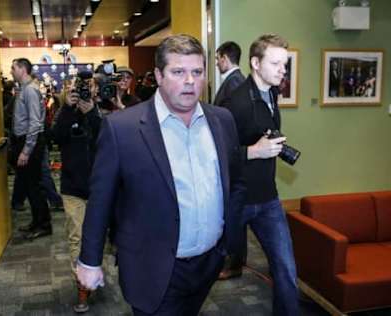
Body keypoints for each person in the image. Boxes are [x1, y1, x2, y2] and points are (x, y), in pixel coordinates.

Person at [76, 34, 246, 316]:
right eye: (178, 72)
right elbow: (100, 201)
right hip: (153, 268)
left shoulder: (222, 120)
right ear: (158, 75)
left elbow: (236, 183)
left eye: (197, 72)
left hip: (208, 263)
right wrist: (89, 260)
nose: (190, 81)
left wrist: (228, 239)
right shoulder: (122, 129)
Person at [222, 34, 299, 316]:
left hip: (268, 199)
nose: (283, 70)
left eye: (285, 64)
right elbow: (217, 155)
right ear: (255, 63)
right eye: (276, 63)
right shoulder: (235, 103)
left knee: (286, 269)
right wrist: (254, 151)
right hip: (237, 200)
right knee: (205, 267)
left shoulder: (273, 92)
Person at [51, 76, 102, 313]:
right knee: (76, 238)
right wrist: (67, 109)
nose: (82, 91)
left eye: (87, 87)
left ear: (94, 88)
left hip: (99, 186)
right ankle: (82, 286)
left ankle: (94, 273)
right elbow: (55, 139)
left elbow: (106, 139)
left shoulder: (102, 110)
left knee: (99, 236)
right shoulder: (65, 111)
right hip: (72, 186)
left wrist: (91, 112)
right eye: (78, 88)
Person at [213, 41, 247, 280]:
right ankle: (233, 259)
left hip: (233, 157)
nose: (216, 62)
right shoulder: (235, 82)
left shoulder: (235, 83)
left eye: (217, 58)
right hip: (229, 155)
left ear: (225, 58)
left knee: (235, 214)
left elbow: (235, 124)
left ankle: (235, 263)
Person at [10, 58, 52, 240]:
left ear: (22, 69)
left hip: (30, 143)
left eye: (13, 68)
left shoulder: (31, 90)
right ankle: (37, 222)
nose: (11, 71)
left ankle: (44, 225)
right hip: (25, 141)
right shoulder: (25, 89)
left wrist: (26, 150)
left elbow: (35, 123)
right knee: (29, 185)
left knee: (34, 186)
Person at [214, 41, 246, 106]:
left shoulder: (234, 81)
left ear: (225, 58)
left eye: (218, 58)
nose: (217, 63)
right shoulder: (235, 78)